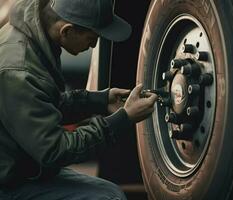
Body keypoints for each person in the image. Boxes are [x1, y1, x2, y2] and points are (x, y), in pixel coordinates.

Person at [0, 0, 158, 199]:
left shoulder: (34, 35)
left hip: (24, 167)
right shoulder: (18, 71)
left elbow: (42, 105)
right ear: (66, 31)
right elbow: (55, 151)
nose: (94, 45)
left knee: (110, 193)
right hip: (10, 183)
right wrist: (122, 120)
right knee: (108, 198)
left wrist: (100, 100)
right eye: (92, 37)